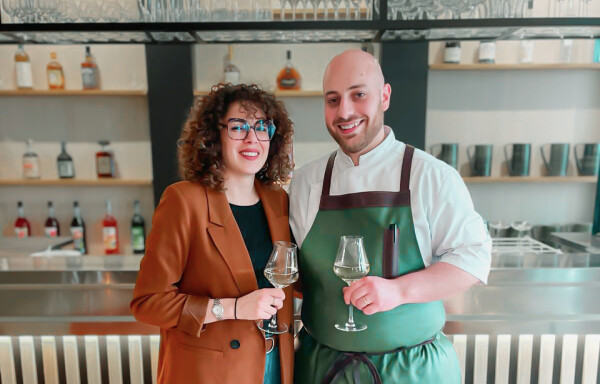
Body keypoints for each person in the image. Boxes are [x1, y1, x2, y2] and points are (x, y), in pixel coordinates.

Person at [289, 49, 492, 383]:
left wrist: (399, 292)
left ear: (384, 96)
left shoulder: (431, 176)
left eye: (359, 95)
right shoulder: (304, 182)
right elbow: (294, 273)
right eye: (333, 99)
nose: (345, 111)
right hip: (323, 369)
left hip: (413, 371)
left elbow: (474, 259)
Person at [131, 84, 295, 384]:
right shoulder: (184, 200)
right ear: (214, 135)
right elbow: (148, 302)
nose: (252, 138)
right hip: (210, 373)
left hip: (274, 365)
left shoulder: (278, 200)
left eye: (262, 127)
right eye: (238, 127)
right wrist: (231, 308)